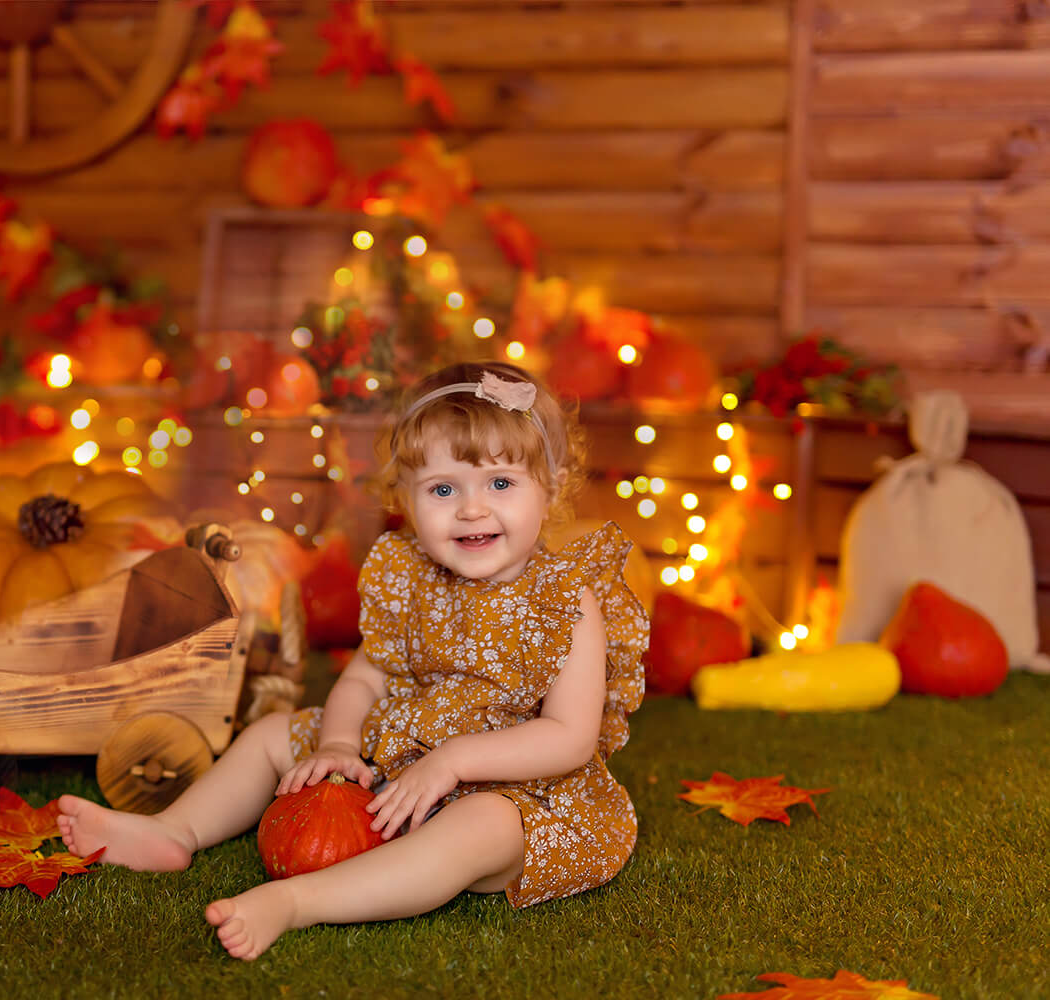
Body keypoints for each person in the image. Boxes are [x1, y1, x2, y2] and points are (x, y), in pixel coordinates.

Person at [58, 361, 648, 960]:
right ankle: (174, 830)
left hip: (519, 792)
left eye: (500, 483)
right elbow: (366, 676)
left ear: (549, 485)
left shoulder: (565, 598)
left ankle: (299, 903)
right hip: (403, 758)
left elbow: (570, 737)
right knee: (271, 735)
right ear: (407, 501)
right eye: (443, 489)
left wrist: (454, 762)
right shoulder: (409, 576)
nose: (472, 509)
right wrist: (338, 743)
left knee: (476, 830)